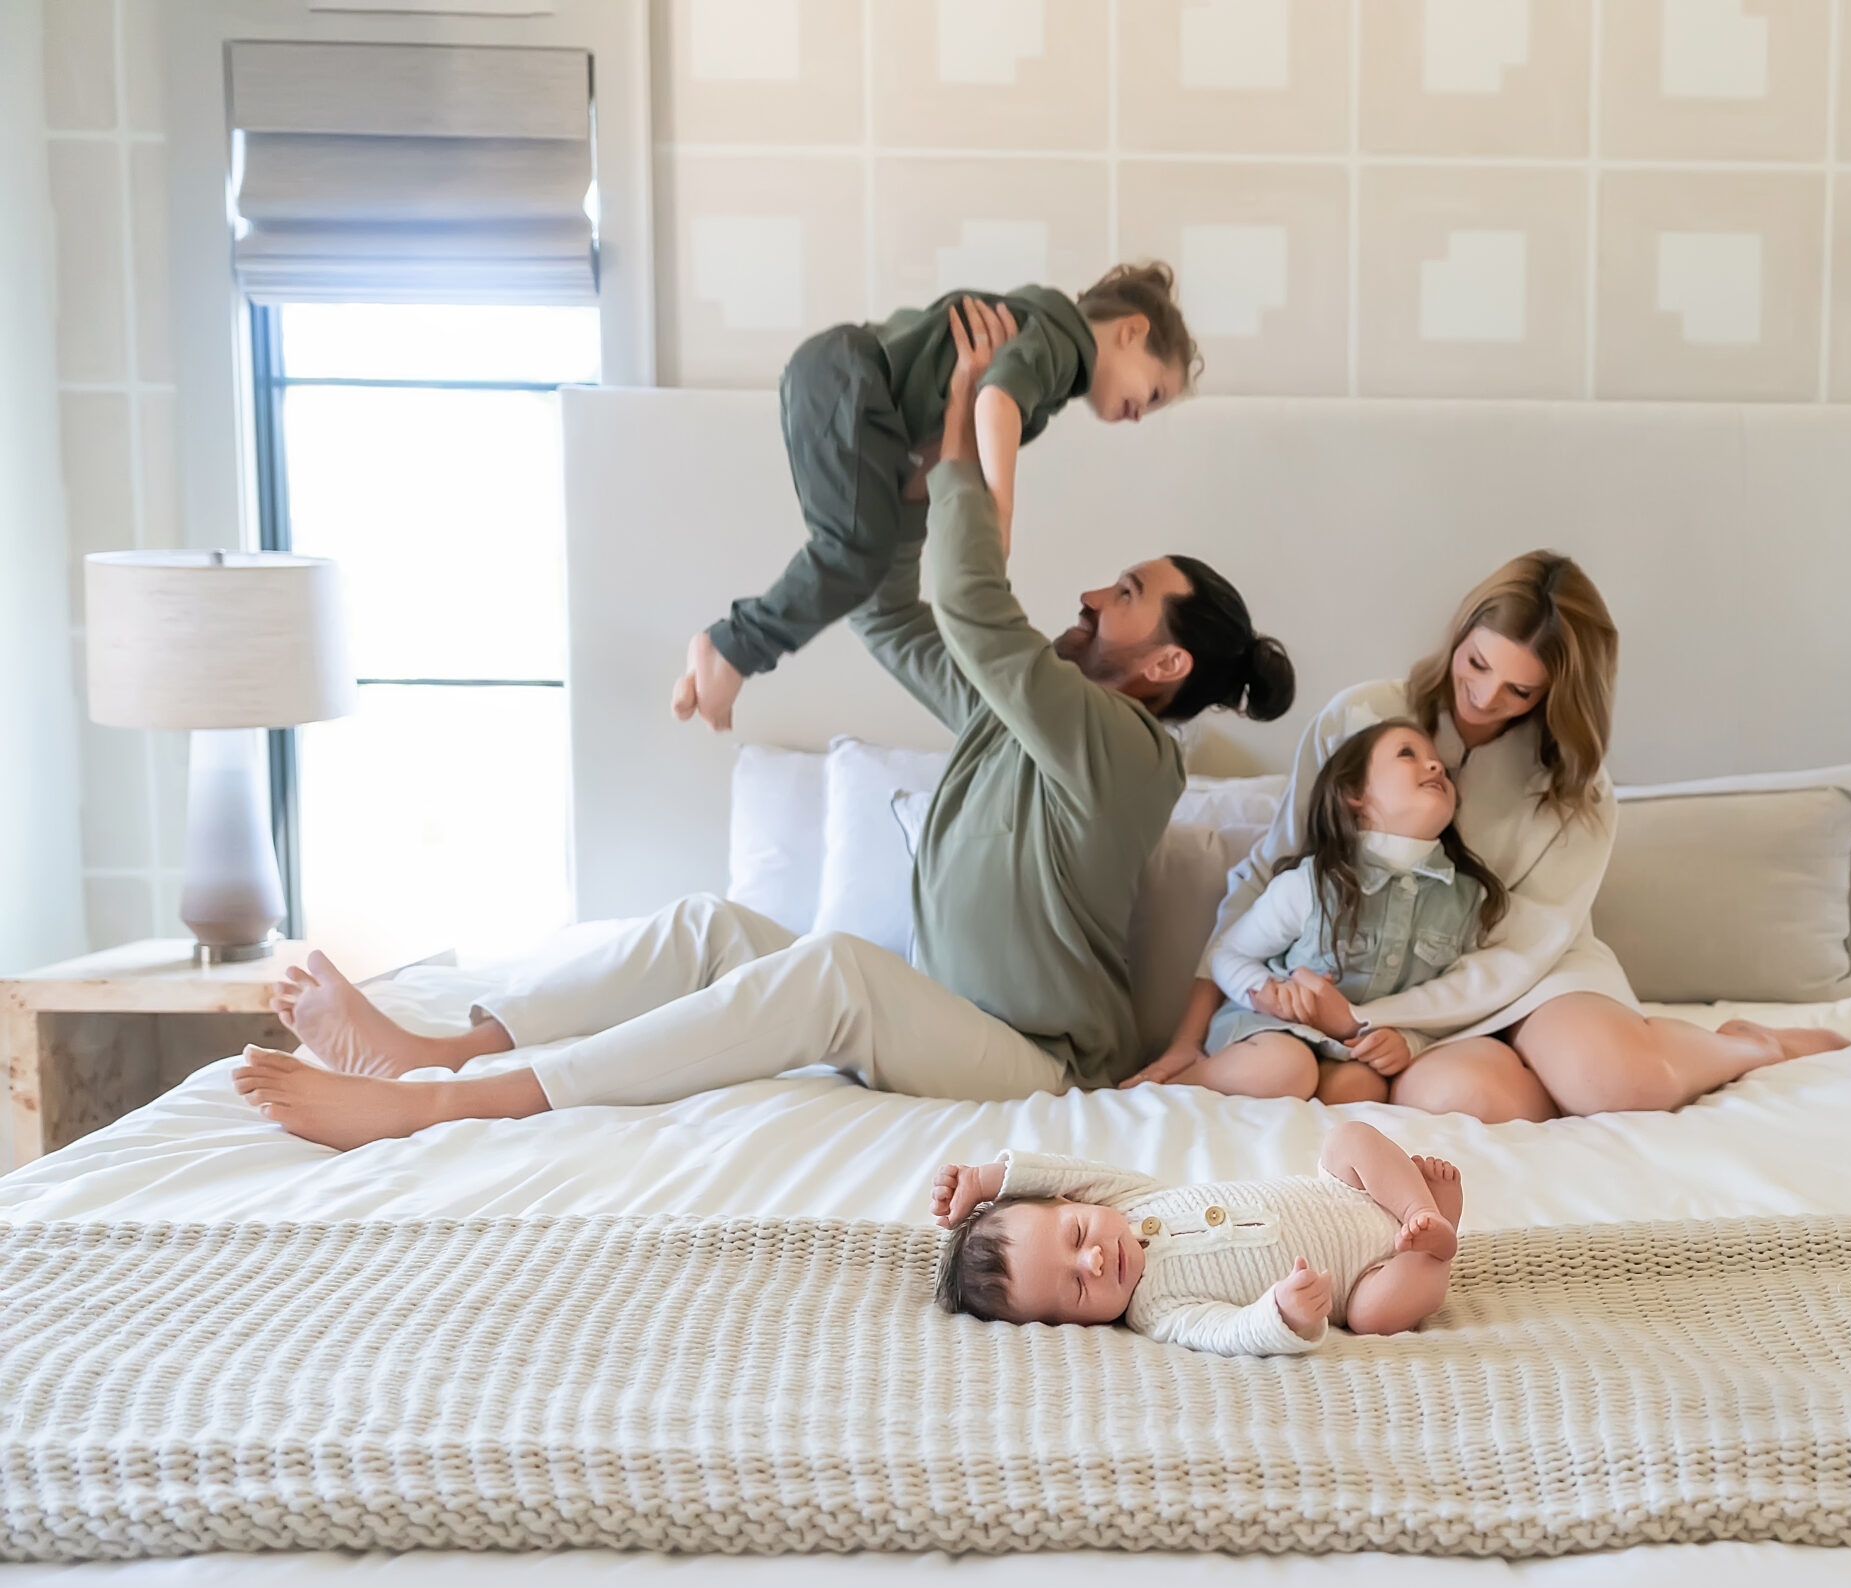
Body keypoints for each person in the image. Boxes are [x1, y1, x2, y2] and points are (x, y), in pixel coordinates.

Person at [235, 301, 1294, 1151]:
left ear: (1166, 665)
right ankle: (446, 1049)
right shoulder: (1016, 714)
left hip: (1037, 1063)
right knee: (710, 927)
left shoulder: (1131, 755)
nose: (1094, 596)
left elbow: (975, 610)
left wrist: (968, 430)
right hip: (944, 1012)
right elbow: (889, 613)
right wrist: (891, 488)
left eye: (1125, 594)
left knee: (834, 968)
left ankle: (453, 1104)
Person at [1127, 552, 1848, 1122]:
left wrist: (1363, 1020)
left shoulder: (1578, 787)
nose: (1483, 698)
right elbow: (1270, 872)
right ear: (1459, 636)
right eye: (1476, 664)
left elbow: (1517, 955)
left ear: (1556, 693)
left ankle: (1746, 1047)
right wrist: (1191, 1039)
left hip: (1528, 975)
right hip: (1387, 995)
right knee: (1455, 1098)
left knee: (1612, 1082)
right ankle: (1542, 1075)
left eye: (1519, 690)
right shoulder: (1364, 718)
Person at [670, 263, 1200, 734]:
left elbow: (941, 448)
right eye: (1154, 394)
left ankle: (721, 662)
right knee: (854, 550)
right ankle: (733, 647)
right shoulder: (1065, 342)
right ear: (1131, 331)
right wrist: (999, 512)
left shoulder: (1049, 347)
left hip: (861, 398)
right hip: (853, 379)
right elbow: (996, 398)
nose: (1140, 415)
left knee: (867, 562)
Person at [1179, 717, 1507, 1105]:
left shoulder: (1468, 899)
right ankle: (1179, 1081)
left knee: (1360, 1090)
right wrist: (1265, 992)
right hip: (1269, 1030)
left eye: (1440, 765)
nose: (1436, 766)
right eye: (1408, 754)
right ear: (1354, 793)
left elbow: (1457, 1001)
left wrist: (1410, 1040)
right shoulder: (1312, 883)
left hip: (1351, 1050)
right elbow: (1227, 954)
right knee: (1285, 1068)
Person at [931, 1123, 1464, 1354]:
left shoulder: (1129, 1199)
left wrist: (985, 1180)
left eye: (1077, 1233)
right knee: (1373, 1317)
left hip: (1345, 1191)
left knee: (1345, 1139)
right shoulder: (1157, 1312)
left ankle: (1417, 1207)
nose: (1093, 1261)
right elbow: (1228, 1332)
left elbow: (1063, 1169)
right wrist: (1284, 1315)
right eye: (1075, 1289)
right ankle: (1433, 1250)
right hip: (1365, 1279)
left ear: (1074, 1200)